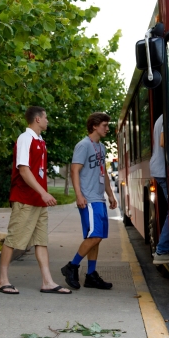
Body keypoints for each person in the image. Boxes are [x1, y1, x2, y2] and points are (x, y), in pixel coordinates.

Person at [0, 106, 70, 295]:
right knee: (13, 239)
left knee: (41, 241)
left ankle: (47, 282)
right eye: (45, 117)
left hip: (38, 200)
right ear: (37, 119)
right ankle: (2, 280)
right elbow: (24, 169)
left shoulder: (40, 141)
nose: (47, 121)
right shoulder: (25, 138)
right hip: (25, 198)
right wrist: (43, 193)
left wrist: (42, 195)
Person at [61, 112, 118, 290]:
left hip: (99, 198)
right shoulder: (83, 145)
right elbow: (74, 171)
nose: (107, 129)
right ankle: (72, 266)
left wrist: (110, 194)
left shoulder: (101, 147)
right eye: (104, 125)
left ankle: (91, 275)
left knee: (96, 238)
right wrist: (79, 195)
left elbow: (104, 174)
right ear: (94, 126)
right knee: (95, 236)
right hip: (88, 199)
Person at [150, 115, 169, 265]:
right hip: (163, 170)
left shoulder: (161, 117)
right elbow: (164, 142)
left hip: (160, 169)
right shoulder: (168, 115)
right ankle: (162, 250)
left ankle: (162, 249)